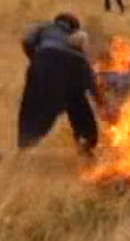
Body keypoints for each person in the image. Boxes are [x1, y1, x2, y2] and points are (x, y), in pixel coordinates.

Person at [17, 12, 113, 156]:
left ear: (57, 21)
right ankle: (86, 143)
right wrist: (102, 104)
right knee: (77, 103)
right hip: (73, 68)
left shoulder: (44, 27)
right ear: (74, 28)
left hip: (43, 63)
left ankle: (25, 145)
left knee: (32, 105)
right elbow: (90, 82)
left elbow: (27, 41)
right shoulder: (79, 43)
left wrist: (35, 58)